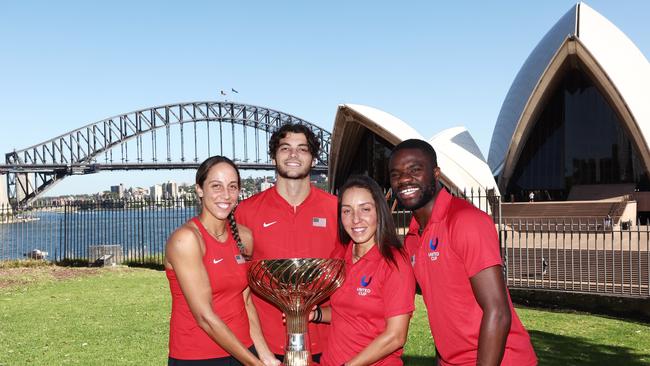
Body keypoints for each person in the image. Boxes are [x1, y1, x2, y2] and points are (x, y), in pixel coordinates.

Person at [388, 139, 537, 366]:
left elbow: (497, 311)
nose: (405, 179)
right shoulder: (412, 238)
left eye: (414, 170)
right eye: (396, 174)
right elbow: (444, 313)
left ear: (436, 173)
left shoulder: (466, 220)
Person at [235, 123, 339, 362]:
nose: (293, 155)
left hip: (328, 343)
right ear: (273, 157)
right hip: (267, 346)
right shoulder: (246, 212)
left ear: (313, 160)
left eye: (302, 149)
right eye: (285, 148)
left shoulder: (336, 209)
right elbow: (239, 288)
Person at [164, 156, 278, 366]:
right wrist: (254, 363)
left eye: (232, 187)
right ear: (199, 189)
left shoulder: (244, 237)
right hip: (199, 357)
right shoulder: (186, 240)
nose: (226, 195)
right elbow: (205, 317)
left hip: (244, 350)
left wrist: (265, 355)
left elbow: (245, 301)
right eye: (216, 186)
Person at [318, 175, 415, 366]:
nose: (355, 219)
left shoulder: (394, 262)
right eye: (347, 211)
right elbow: (345, 312)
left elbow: (396, 336)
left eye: (365, 209)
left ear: (379, 211)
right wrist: (317, 314)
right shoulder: (341, 255)